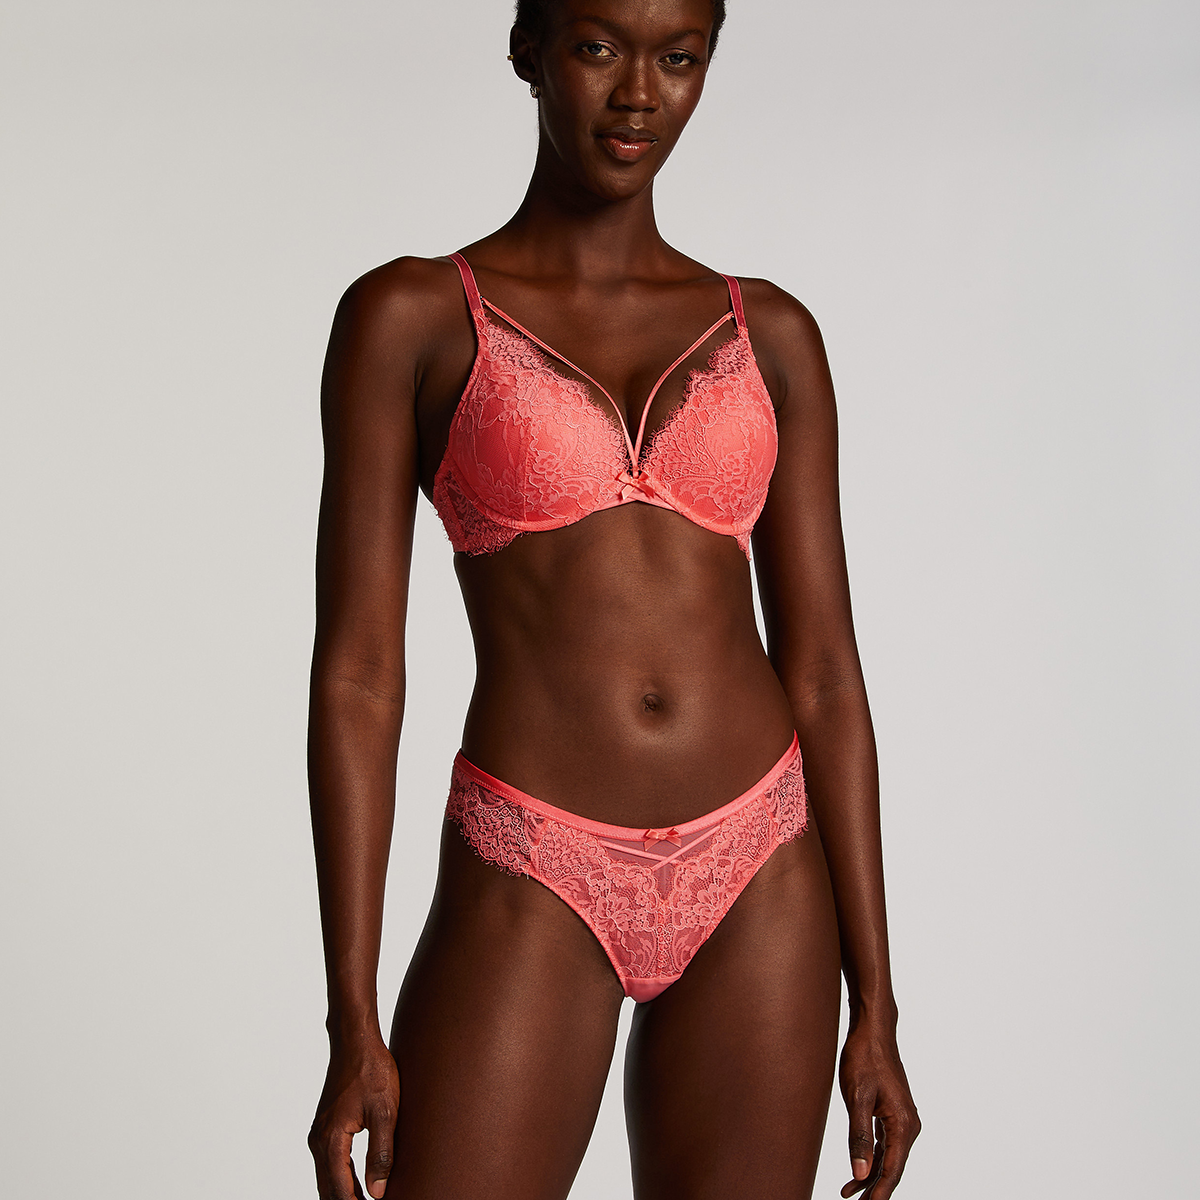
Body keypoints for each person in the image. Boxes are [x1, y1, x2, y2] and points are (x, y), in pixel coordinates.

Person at [306, 1, 920, 1196]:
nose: (639, 93)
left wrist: (879, 1005)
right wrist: (351, 1014)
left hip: (762, 863)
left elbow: (823, 673)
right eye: (599, 48)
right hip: (532, 860)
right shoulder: (410, 318)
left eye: (678, 59)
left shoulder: (771, 333)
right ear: (529, 50)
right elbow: (361, 677)